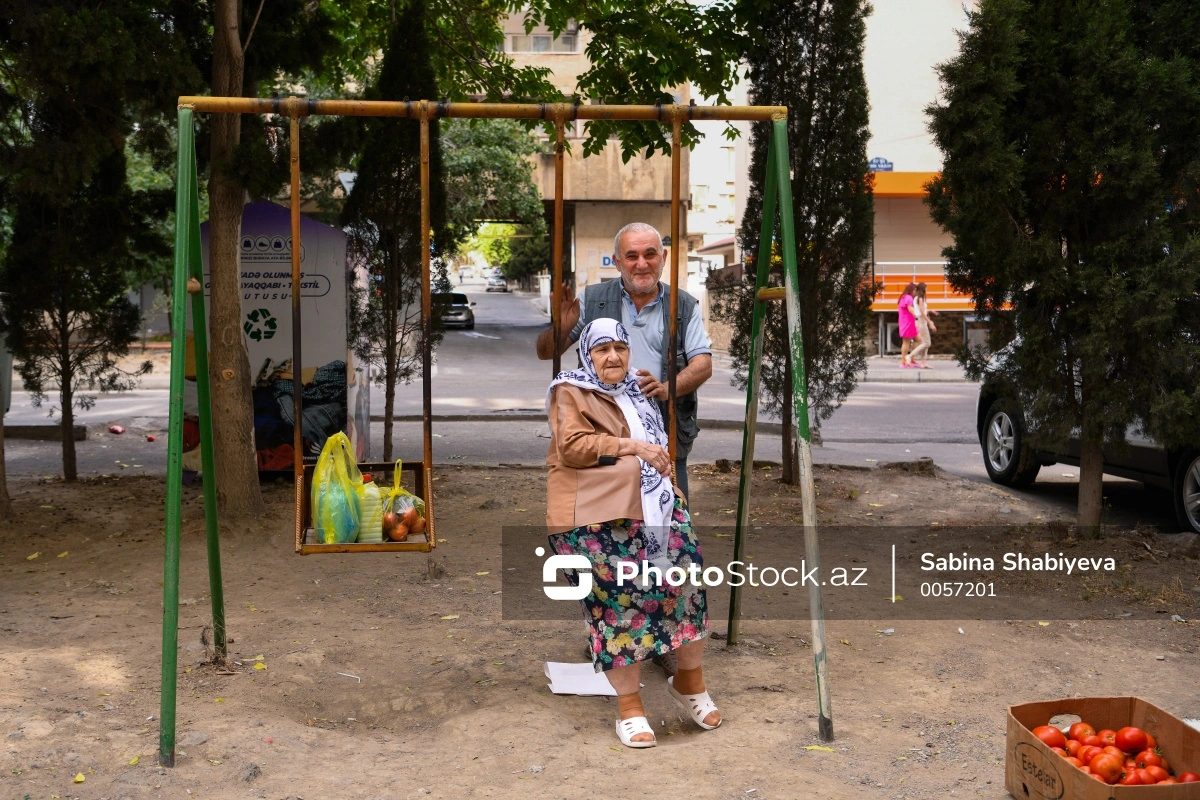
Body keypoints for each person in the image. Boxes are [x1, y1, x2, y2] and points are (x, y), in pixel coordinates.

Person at [545, 318, 720, 748]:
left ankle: (689, 682)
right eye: (602, 348)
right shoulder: (570, 390)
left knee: (688, 575)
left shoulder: (636, 394)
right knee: (620, 596)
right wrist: (631, 447)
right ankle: (630, 709)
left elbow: (658, 448)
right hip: (592, 513)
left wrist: (673, 493)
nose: (612, 357)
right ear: (587, 354)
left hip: (652, 505)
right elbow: (573, 446)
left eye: (620, 348)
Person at [536, 222, 712, 502]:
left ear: (663, 258)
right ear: (617, 262)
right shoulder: (592, 300)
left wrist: (667, 389)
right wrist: (560, 324)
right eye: (632, 256)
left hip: (664, 428)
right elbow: (547, 352)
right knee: (605, 514)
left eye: (650, 254)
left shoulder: (683, 305)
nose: (641, 264)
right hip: (603, 427)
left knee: (671, 515)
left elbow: (703, 363)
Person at [909, 283, 937, 369]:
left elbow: (921, 310)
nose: (927, 290)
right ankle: (910, 356)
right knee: (927, 343)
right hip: (921, 321)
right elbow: (921, 312)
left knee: (924, 342)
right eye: (926, 288)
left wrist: (930, 310)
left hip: (920, 320)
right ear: (923, 289)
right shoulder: (920, 298)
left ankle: (923, 362)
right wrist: (930, 323)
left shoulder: (918, 298)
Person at [897, 282, 919, 368]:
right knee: (906, 342)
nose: (916, 292)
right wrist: (918, 317)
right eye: (915, 290)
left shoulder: (904, 297)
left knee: (918, 339)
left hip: (909, 322)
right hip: (907, 323)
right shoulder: (908, 298)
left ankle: (912, 358)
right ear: (912, 290)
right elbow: (911, 309)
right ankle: (903, 361)